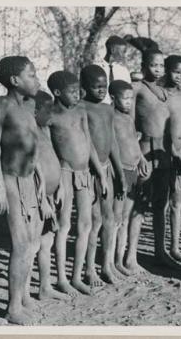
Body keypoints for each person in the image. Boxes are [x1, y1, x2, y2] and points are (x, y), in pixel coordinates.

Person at [0, 56, 46, 324]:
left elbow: (33, 148)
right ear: (15, 81)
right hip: (11, 180)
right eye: (32, 75)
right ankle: (12, 308)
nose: (36, 80)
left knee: (32, 244)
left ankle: (22, 296)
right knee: (21, 245)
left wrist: (41, 184)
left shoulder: (31, 105)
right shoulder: (3, 104)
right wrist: (0, 187)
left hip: (30, 182)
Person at [44, 70, 107, 295]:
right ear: (58, 93)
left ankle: (77, 276)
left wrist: (99, 173)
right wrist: (57, 181)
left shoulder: (80, 111)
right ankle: (61, 279)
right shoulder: (50, 116)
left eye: (77, 90)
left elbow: (88, 144)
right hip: (64, 175)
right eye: (72, 92)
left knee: (86, 225)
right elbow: (48, 151)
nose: (77, 95)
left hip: (84, 174)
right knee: (64, 227)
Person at [80, 65, 126, 285]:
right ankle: (89, 268)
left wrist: (120, 173)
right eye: (96, 86)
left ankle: (106, 265)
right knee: (94, 220)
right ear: (84, 87)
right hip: (88, 171)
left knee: (109, 219)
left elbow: (113, 143)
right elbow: (84, 142)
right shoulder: (81, 108)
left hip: (107, 169)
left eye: (104, 86)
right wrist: (97, 169)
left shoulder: (108, 110)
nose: (101, 90)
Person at [132, 49, 177, 266]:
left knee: (161, 204)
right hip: (144, 150)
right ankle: (130, 256)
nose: (157, 69)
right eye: (153, 65)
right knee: (138, 204)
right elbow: (126, 123)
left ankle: (160, 252)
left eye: (161, 65)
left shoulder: (165, 91)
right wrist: (136, 154)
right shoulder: (137, 89)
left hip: (163, 151)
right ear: (143, 66)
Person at [110, 80, 150, 274]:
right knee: (116, 219)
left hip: (134, 170)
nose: (128, 102)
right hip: (121, 172)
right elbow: (111, 147)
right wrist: (118, 174)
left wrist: (141, 159)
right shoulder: (111, 118)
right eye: (124, 98)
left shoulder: (127, 118)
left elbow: (133, 142)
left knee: (126, 218)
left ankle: (122, 259)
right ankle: (112, 262)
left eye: (131, 98)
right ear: (113, 98)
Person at [33, 91, 70, 301]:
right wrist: (42, 200)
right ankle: (25, 294)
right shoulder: (31, 132)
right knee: (34, 245)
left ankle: (45, 287)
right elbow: (32, 168)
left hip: (52, 194)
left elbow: (54, 159)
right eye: (49, 111)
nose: (52, 115)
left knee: (47, 241)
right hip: (39, 198)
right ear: (36, 111)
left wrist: (61, 186)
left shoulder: (45, 130)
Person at [162, 55, 181, 263]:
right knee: (161, 203)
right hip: (164, 151)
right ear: (167, 70)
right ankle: (161, 248)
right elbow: (162, 125)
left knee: (177, 201)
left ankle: (174, 247)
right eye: (175, 72)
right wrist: (171, 150)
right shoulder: (161, 93)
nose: (178, 76)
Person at [100, 36, 131, 105]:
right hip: (101, 110)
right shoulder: (96, 68)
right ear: (113, 50)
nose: (124, 55)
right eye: (123, 52)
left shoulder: (124, 71)